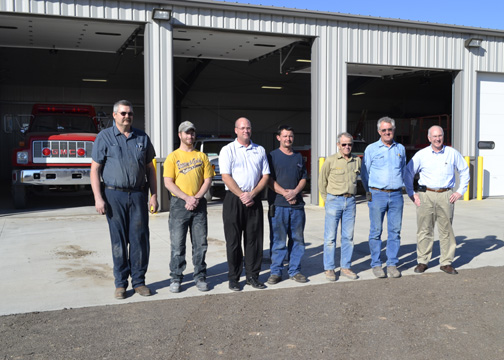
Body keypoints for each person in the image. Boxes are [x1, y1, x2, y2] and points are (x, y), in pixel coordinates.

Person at [90, 100, 158, 299]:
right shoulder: (104, 137)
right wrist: (98, 198)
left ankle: (139, 282)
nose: (127, 116)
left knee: (139, 240)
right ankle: (120, 284)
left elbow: (150, 169)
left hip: (138, 194)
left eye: (129, 113)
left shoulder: (142, 138)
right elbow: (95, 169)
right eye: (123, 113)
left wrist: (153, 195)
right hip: (114, 196)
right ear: (114, 115)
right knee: (118, 241)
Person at [404, 125, 469, 275]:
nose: (437, 139)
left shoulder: (452, 153)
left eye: (440, 136)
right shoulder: (422, 154)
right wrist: (411, 193)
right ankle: (423, 261)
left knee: (446, 230)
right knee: (424, 229)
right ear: (429, 138)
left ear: (443, 137)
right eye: (434, 136)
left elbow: (464, 171)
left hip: (446, 195)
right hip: (425, 195)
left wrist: (460, 191)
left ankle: (446, 262)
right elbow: (408, 172)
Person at [163, 121, 215, 293]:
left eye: (192, 133)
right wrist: (186, 198)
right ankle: (176, 277)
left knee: (200, 244)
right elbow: (168, 182)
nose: (190, 136)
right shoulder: (173, 157)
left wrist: (196, 197)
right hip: (179, 205)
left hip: (199, 204)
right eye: (186, 133)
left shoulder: (202, 157)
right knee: (178, 245)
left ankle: (200, 276)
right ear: (180, 135)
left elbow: (208, 180)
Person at [219, 117, 270, 291]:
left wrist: (253, 194)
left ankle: (252, 276)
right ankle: (234, 278)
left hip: (254, 198)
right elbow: (225, 175)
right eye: (242, 128)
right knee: (233, 241)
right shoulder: (228, 150)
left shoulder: (260, 150)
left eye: (248, 128)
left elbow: (265, 176)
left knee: (254, 241)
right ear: (236, 130)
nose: (246, 131)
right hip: (234, 199)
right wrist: (242, 195)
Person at [361, 116, 406, 279]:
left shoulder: (400, 148)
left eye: (390, 129)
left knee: (395, 231)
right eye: (384, 130)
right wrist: (370, 192)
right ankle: (376, 264)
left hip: (396, 195)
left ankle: (392, 264)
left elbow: (403, 169)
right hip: (377, 194)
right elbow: (364, 174)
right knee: (376, 231)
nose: (387, 132)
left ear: (394, 130)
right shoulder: (371, 149)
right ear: (379, 131)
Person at [267, 125, 308, 285]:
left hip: (297, 207)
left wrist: (295, 192)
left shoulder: (298, 157)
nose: (288, 139)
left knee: (297, 239)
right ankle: (276, 272)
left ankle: (295, 271)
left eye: (290, 136)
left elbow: (304, 178)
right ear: (278, 138)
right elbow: (268, 180)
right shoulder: (272, 156)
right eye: (284, 136)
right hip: (278, 206)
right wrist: (285, 193)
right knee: (278, 240)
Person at [319, 132, 362, 281]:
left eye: (349, 144)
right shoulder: (331, 160)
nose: (347, 147)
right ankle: (329, 268)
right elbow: (321, 182)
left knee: (348, 237)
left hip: (350, 202)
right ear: (338, 145)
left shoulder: (356, 161)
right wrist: (327, 200)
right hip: (334, 201)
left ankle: (345, 267)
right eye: (343, 144)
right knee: (330, 238)